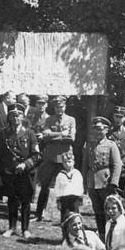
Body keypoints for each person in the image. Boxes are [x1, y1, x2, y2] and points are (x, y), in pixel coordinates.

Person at [35, 95, 76, 223]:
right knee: (45, 185)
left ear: (65, 106)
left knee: (66, 186)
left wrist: (52, 136)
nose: (60, 109)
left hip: (64, 157)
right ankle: (39, 213)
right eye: (57, 107)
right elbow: (45, 136)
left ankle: (67, 214)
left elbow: (71, 138)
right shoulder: (49, 119)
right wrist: (60, 134)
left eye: (62, 106)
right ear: (54, 108)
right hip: (51, 156)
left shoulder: (71, 120)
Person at [0, 106, 40, 239]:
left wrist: (25, 164)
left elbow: (37, 155)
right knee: (12, 199)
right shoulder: (4, 133)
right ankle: (11, 227)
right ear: (9, 117)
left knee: (25, 200)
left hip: (26, 173)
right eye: (13, 115)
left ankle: (25, 229)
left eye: (19, 115)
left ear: (23, 117)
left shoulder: (29, 133)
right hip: (10, 172)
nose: (16, 118)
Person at [83, 116, 123, 239]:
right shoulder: (89, 144)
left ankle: (112, 234)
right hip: (92, 182)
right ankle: (101, 233)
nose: (98, 132)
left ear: (106, 130)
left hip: (105, 182)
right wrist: (85, 182)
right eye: (96, 129)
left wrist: (114, 182)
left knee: (109, 210)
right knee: (97, 210)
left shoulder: (111, 145)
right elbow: (85, 164)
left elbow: (117, 165)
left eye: (101, 129)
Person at [52, 148, 84, 222]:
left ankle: (75, 232)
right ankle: (65, 232)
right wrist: (58, 200)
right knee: (65, 217)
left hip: (75, 199)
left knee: (75, 217)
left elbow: (80, 186)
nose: (67, 164)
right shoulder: (60, 175)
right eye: (65, 162)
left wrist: (80, 197)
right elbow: (57, 188)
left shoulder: (77, 173)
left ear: (74, 162)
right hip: (64, 199)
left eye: (69, 162)